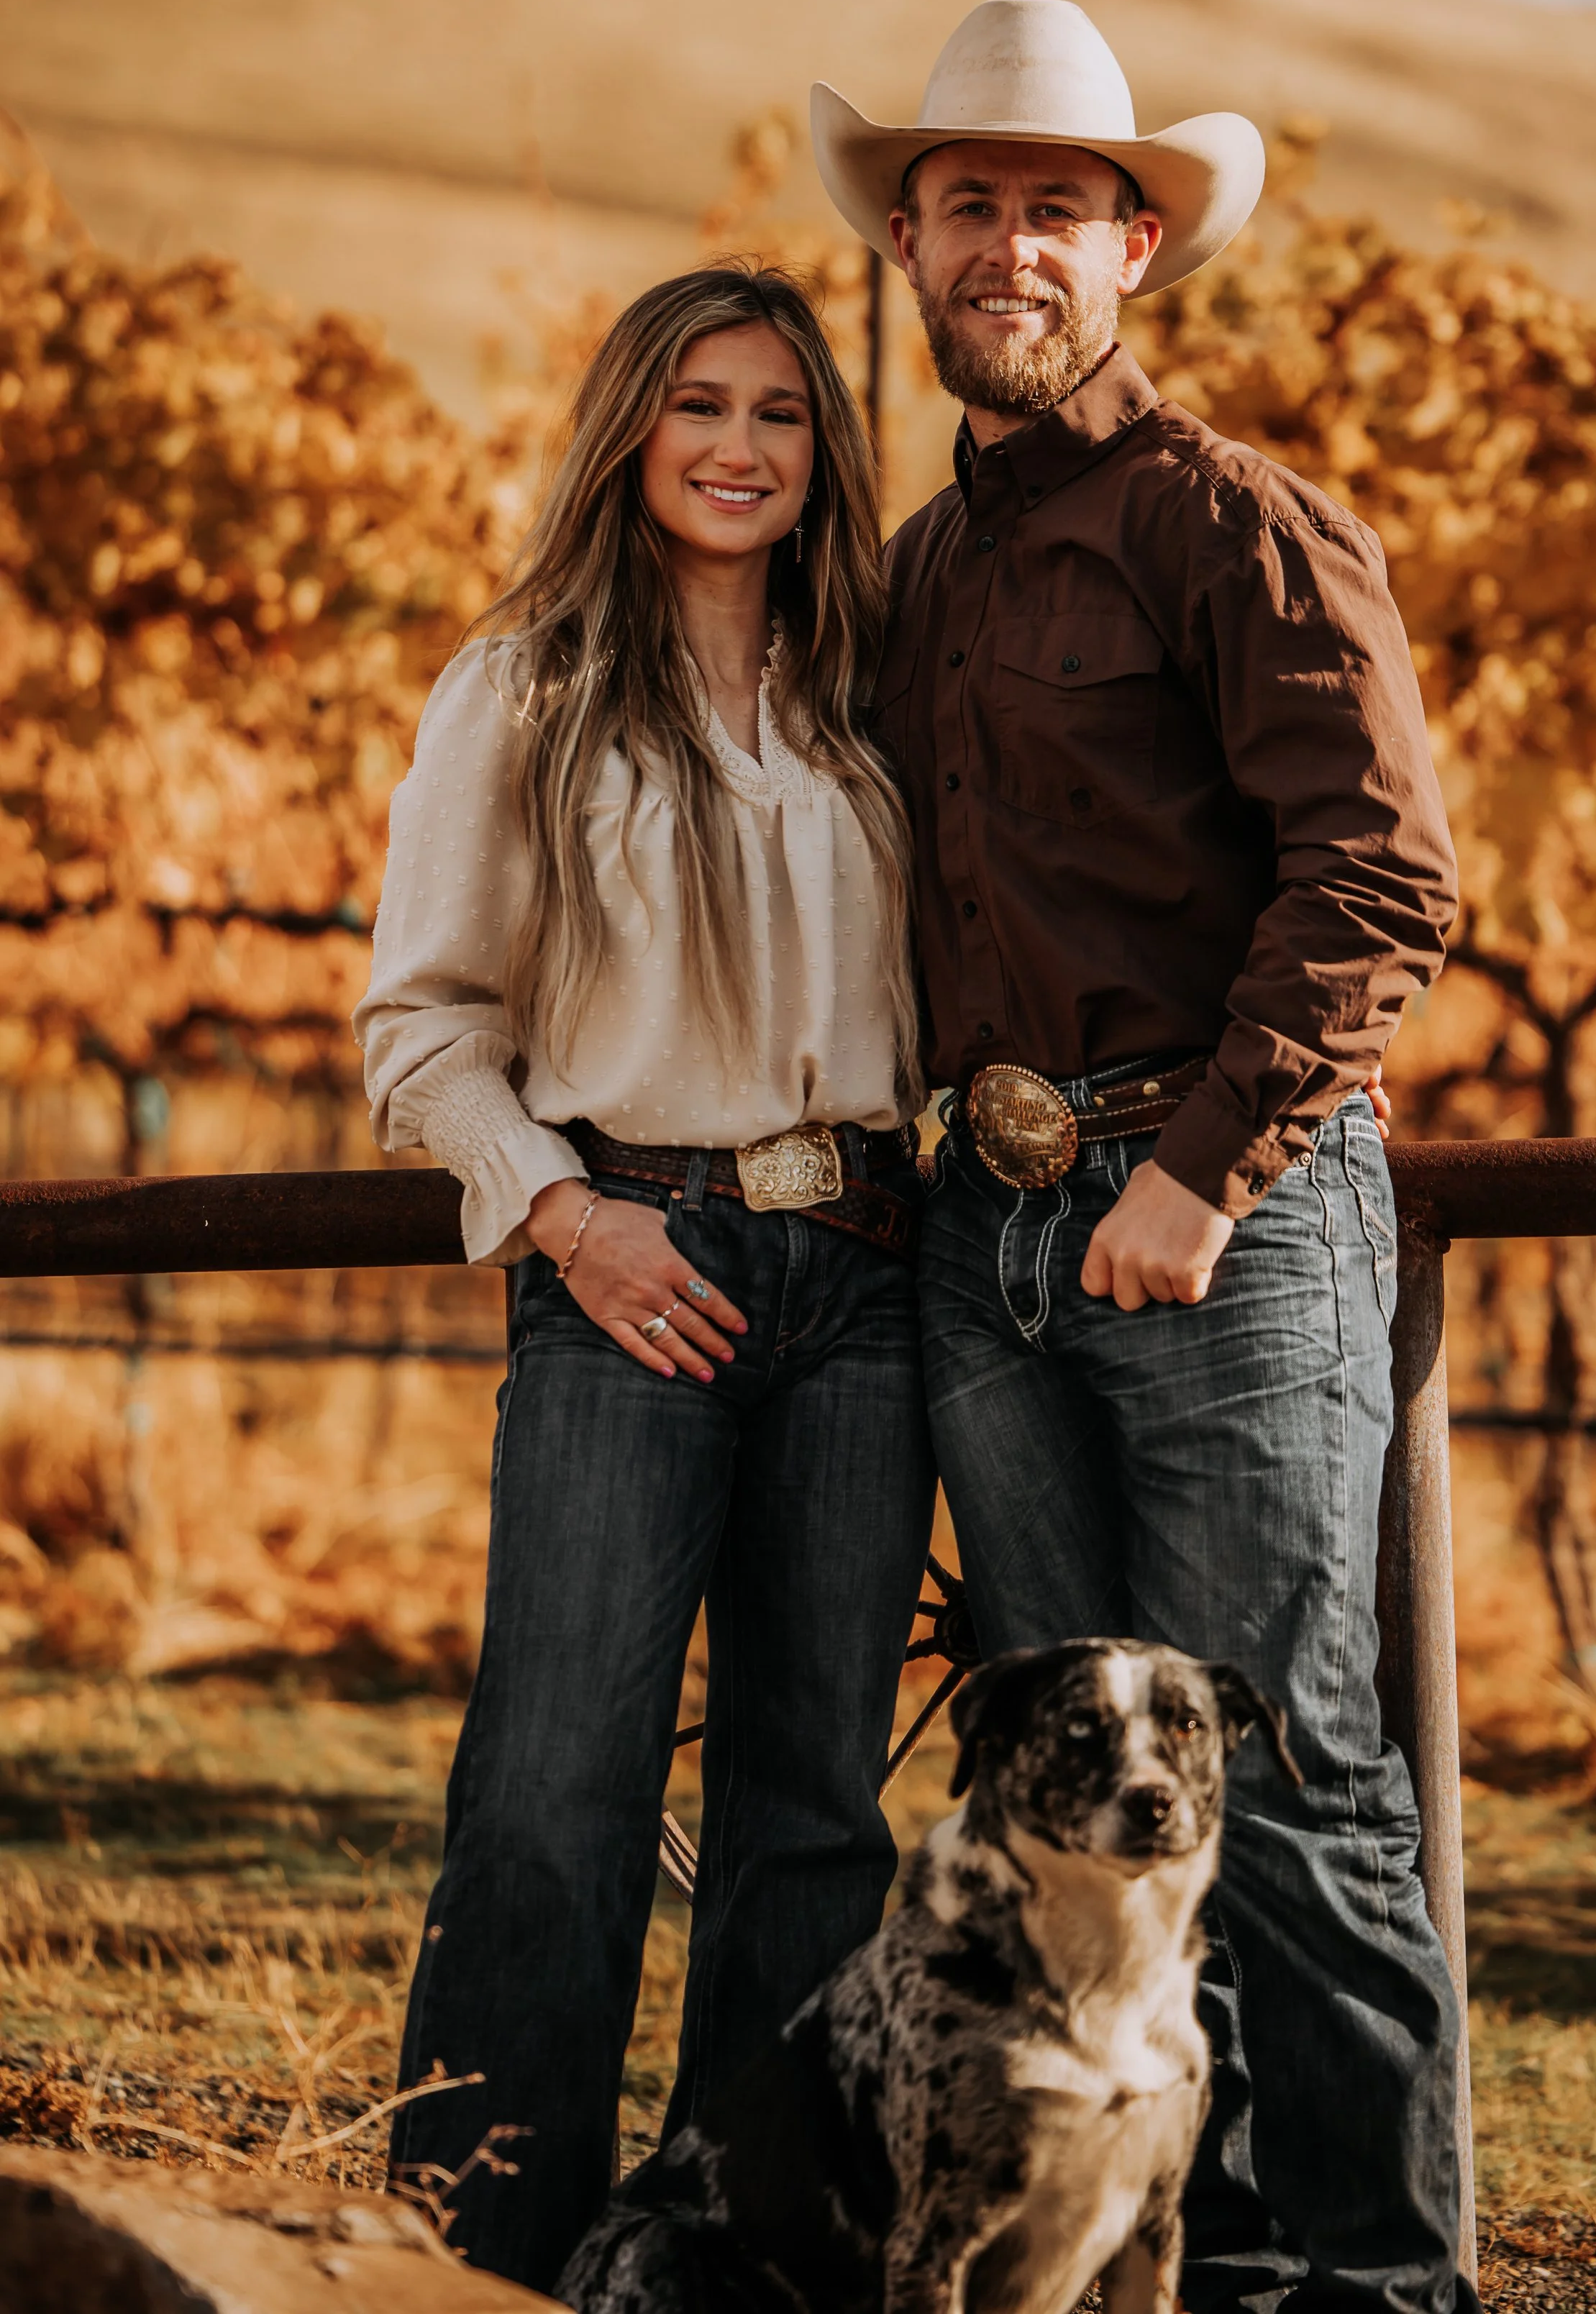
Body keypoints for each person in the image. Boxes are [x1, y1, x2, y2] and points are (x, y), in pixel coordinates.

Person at [811, 0, 1474, 2312]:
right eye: (969, 203)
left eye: (1058, 209)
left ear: (1136, 249)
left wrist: (1194, 1170)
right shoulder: (910, 574)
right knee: (1079, 1798)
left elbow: (1380, 882)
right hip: (985, 1239)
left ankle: (1376, 2284)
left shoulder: (1231, 520)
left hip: (1223, 1212)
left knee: (1285, 1780)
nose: (1011, 246)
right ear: (909, 239)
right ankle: (1172, 2263)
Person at [354, 264, 935, 2293]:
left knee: (814, 1811)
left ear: (824, 453)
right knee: (552, 1786)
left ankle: (742, 2254)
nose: (737, 446)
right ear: (630, 426)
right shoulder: (517, 686)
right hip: (633, 1268)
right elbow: (418, 1029)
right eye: (699, 403)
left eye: (781, 412)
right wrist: (567, 1217)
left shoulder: (873, 696)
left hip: (869, 1282)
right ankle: (475, 2251)